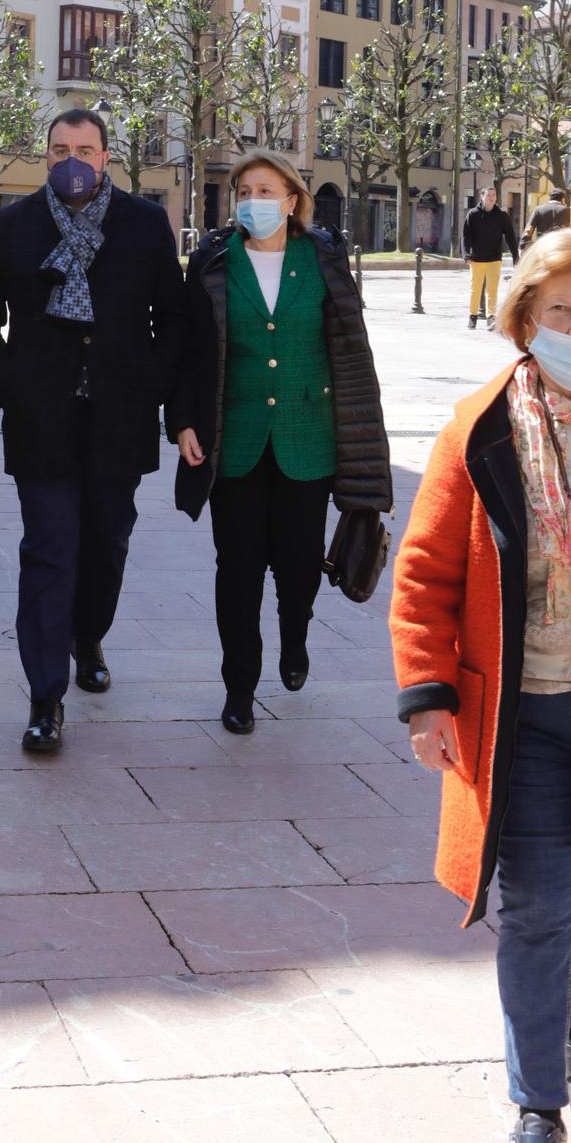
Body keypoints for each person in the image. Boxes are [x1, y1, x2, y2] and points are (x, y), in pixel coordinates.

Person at [391, 228, 571, 1143]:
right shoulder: (481, 426)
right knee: (539, 905)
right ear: (525, 317)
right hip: (527, 715)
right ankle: (534, 1104)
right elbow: (424, 572)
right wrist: (427, 694)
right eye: (559, 310)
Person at [0, 108, 187, 753]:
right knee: (49, 549)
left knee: (107, 543)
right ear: (46, 154)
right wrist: (11, 388)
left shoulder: (145, 225)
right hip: (43, 423)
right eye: (61, 148)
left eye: (85, 149)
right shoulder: (13, 225)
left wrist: (150, 386)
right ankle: (44, 695)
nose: (73, 159)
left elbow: (173, 321)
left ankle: (88, 635)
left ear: (106, 157)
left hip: (119, 421)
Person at [170, 152, 391, 734]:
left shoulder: (322, 259)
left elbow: (351, 350)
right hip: (235, 442)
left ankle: (296, 636)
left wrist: (363, 442)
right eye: (244, 190)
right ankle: (239, 686)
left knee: (297, 568)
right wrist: (185, 421)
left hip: (307, 439)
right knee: (236, 569)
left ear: (292, 200)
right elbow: (191, 350)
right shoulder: (214, 261)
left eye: (265, 190)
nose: (252, 201)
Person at [463, 185, 519, 330]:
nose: (492, 198)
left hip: (494, 258)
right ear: (482, 196)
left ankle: (490, 317)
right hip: (476, 258)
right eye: (488, 195)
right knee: (475, 289)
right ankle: (472, 316)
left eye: (494, 195)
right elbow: (466, 236)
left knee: (492, 289)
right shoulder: (473, 214)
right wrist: (466, 254)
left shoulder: (502, 215)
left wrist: (515, 256)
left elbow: (510, 237)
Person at [521, 187, 571, 252]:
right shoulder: (567, 210)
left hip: (542, 246)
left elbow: (528, 230)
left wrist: (522, 245)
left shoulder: (538, 209)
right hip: (560, 247)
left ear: (550, 198)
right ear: (562, 199)